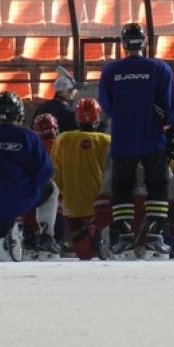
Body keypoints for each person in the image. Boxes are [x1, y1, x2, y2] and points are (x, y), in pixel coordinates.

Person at [98, 22, 174, 259]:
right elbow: (170, 104)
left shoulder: (110, 71)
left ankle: (123, 232)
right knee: (157, 183)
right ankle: (157, 230)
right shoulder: (160, 68)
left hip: (123, 137)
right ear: (144, 42)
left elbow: (106, 105)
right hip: (152, 135)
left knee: (122, 185)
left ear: (124, 44)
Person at [0, 91, 61, 262]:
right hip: (22, 198)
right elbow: (44, 174)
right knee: (51, 190)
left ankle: (7, 237)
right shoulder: (29, 136)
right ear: (19, 112)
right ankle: (45, 237)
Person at [51, 98, 111, 260]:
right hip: (100, 204)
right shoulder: (107, 141)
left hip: (72, 205)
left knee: (84, 254)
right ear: (97, 117)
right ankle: (97, 229)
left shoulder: (63, 139)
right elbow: (112, 173)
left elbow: (56, 172)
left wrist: (58, 195)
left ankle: (90, 233)